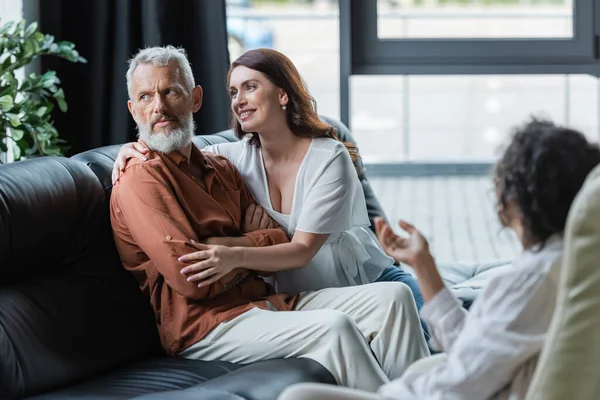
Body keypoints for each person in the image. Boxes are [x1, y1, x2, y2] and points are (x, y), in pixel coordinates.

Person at [110, 45, 429, 393]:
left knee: (396, 298)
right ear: (133, 109)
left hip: (272, 299)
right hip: (206, 325)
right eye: (145, 97)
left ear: (194, 98)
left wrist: (228, 251)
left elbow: (280, 239)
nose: (158, 106)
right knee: (335, 328)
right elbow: (192, 281)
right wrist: (124, 152)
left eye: (170, 91)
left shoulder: (222, 166)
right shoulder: (141, 177)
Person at [276, 118, 600, 400]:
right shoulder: (577, 267)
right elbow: (474, 352)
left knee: (297, 395)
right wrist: (423, 264)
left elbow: (457, 385)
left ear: (514, 198)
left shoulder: (528, 283)